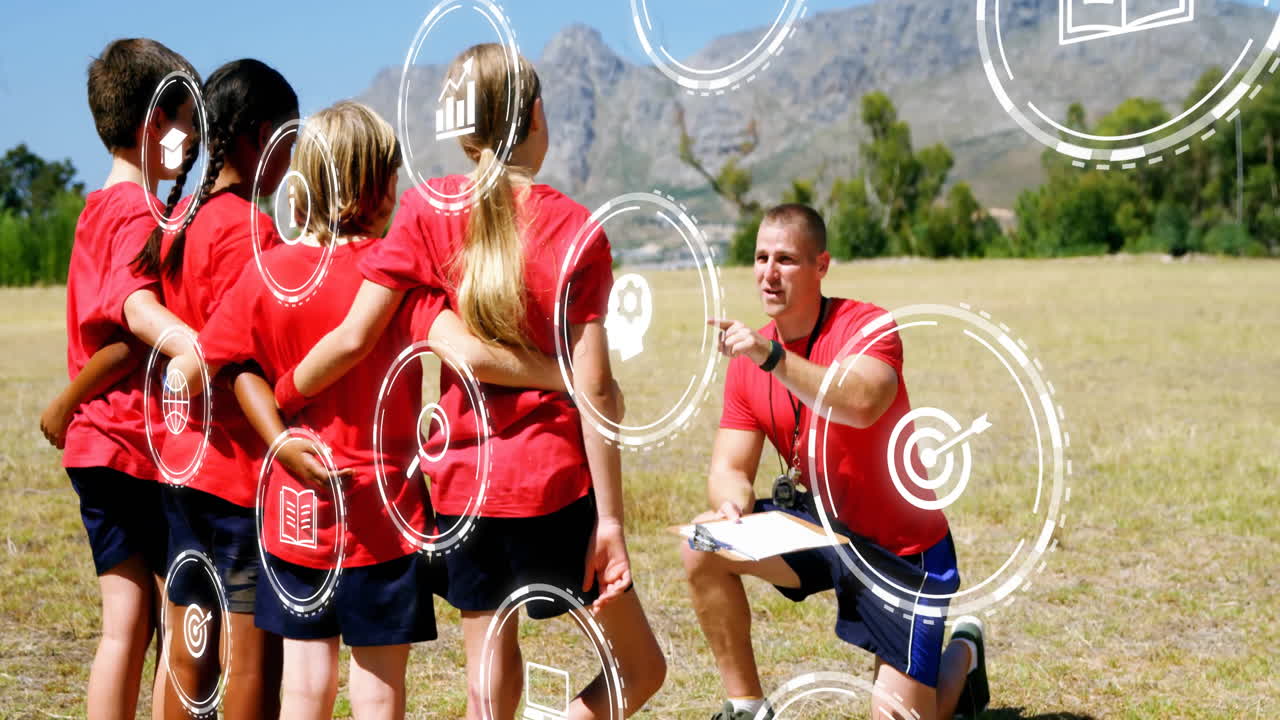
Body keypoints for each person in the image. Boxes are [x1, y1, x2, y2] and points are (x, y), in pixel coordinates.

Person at [269, 44, 666, 720]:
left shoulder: (425, 210)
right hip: (554, 483)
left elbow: (360, 335)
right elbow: (596, 387)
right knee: (640, 667)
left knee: (486, 681)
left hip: (461, 484)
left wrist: (281, 399)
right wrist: (611, 523)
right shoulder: (577, 230)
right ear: (536, 116)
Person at [186, 99, 579, 720]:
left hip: (292, 517)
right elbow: (467, 353)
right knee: (377, 688)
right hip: (385, 516)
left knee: (305, 686)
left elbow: (210, 366)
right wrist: (563, 375)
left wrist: (279, 434)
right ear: (381, 185)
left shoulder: (268, 276)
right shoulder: (396, 278)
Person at [680, 204, 989, 720]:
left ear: (821, 266)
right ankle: (746, 707)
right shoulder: (750, 362)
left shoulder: (867, 326)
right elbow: (729, 469)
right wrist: (730, 505)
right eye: (761, 258)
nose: (769, 273)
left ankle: (962, 658)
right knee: (702, 544)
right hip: (819, 529)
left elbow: (861, 403)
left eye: (787, 259)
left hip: (899, 551)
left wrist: (772, 358)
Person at [129, 58, 299, 718]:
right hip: (241, 479)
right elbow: (257, 356)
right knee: (254, 656)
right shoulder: (253, 231)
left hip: (182, 467)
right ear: (260, 137)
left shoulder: (177, 225)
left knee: (190, 645)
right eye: (290, 139)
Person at [56, 37, 202, 720]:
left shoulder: (94, 206)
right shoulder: (141, 212)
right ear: (154, 126)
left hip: (94, 446)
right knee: (164, 623)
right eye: (188, 120)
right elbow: (128, 310)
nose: (197, 137)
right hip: (129, 442)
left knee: (122, 625)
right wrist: (191, 344)